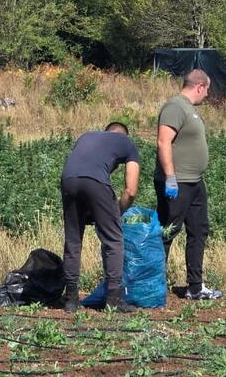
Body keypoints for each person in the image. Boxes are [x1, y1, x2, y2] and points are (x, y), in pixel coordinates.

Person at [60, 121, 141, 314]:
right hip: (95, 182)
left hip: (68, 179)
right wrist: (116, 214)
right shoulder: (127, 144)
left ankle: (71, 298)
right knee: (114, 240)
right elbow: (130, 191)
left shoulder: (86, 136)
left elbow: (82, 172)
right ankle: (114, 299)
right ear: (124, 135)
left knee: (73, 241)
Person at [155, 70, 221, 300]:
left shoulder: (189, 109)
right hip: (178, 182)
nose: (207, 95)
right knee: (167, 231)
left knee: (198, 231)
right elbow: (164, 142)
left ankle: (195, 286)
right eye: (207, 90)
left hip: (194, 182)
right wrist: (170, 177)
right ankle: (154, 283)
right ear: (200, 86)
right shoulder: (175, 106)